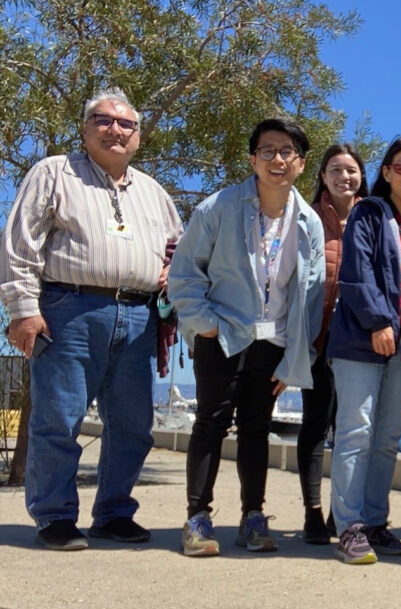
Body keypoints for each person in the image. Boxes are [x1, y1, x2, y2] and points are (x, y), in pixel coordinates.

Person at [0, 88, 183, 550]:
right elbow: (20, 245)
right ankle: (55, 516)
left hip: (139, 316)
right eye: (103, 120)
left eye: (126, 124)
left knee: (133, 425)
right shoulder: (53, 173)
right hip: (69, 309)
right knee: (59, 419)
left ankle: (115, 513)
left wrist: (173, 270)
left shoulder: (154, 192)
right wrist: (23, 311)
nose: (115, 130)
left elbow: (179, 247)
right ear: (84, 130)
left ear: (137, 136)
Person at [168, 118, 325, 557]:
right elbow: (184, 273)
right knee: (210, 424)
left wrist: (295, 358)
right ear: (253, 159)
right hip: (223, 335)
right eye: (268, 150)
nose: (278, 159)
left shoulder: (309, 222)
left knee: (257, 430)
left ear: (301, 163)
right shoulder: (219, 207)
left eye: (287, 151)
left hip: (273, 343)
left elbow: (311, 298)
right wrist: (206, 324)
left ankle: (253, 518)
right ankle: (197, 519)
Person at [326, 136, 401, 564]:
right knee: (355, 432)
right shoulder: (370, 212)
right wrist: (377, 321)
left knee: (388, 438)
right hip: (362, 339)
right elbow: (356, 272)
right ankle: (350, 526)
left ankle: (375, 521)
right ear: (387, 172)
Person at [299, 143, 368, 544]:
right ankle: (312, 511)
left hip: (356, 342)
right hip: (316, 337)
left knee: (349, 429)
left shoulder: (373, 217)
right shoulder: (306, 217)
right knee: (315, 423)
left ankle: (339, 513)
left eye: (352, 170)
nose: (345, 176)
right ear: (323, 176)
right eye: (336, 170)